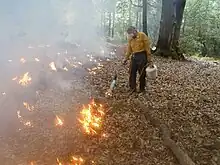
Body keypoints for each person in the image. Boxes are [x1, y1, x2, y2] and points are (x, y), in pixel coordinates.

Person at [123, 26, 153, 93]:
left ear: (135, 31)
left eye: (131, 33)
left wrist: (149, 59)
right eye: (129, 33)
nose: (130, 34)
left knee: (142, 73)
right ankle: (132, 88)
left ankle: (142, 89)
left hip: (142, 56)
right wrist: (125, 59)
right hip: (134, 57)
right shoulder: (130, 39)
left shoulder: (142, 35)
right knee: (131, 72)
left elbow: (147, 48)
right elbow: (129, 50)